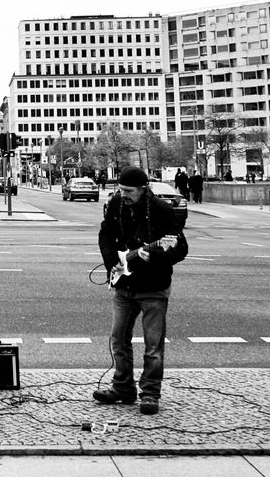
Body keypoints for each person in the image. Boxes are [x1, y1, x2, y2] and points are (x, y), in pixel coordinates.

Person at [95, 166, 188, 415]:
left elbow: (180, 249)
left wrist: (153, 258)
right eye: (120, 189)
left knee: (153, 346)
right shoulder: (116, 203)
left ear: (143, 189)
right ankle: (123, 388)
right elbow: (105, 234)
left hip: (153, 287)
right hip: (123, 285)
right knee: (118, 340)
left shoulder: (162, 210)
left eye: (128, 191)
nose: (123, 194)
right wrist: (111, 261)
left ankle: (150, 394)